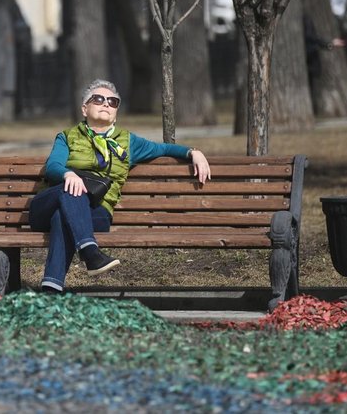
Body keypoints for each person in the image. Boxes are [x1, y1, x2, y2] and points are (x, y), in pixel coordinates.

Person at [29, 79, 211, 294]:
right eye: (98, 99)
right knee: (72, 190)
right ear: (84, 108)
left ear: (116, 112)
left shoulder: (128, 142)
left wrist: (193, 152)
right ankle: (90, 252)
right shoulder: (68, 137)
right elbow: (53, 167)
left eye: (112, 102)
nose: (106, 104)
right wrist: (69, 174)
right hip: (48, 204)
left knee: (63, 216)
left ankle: (51, 289)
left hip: (96, 213)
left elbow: (163, 148)